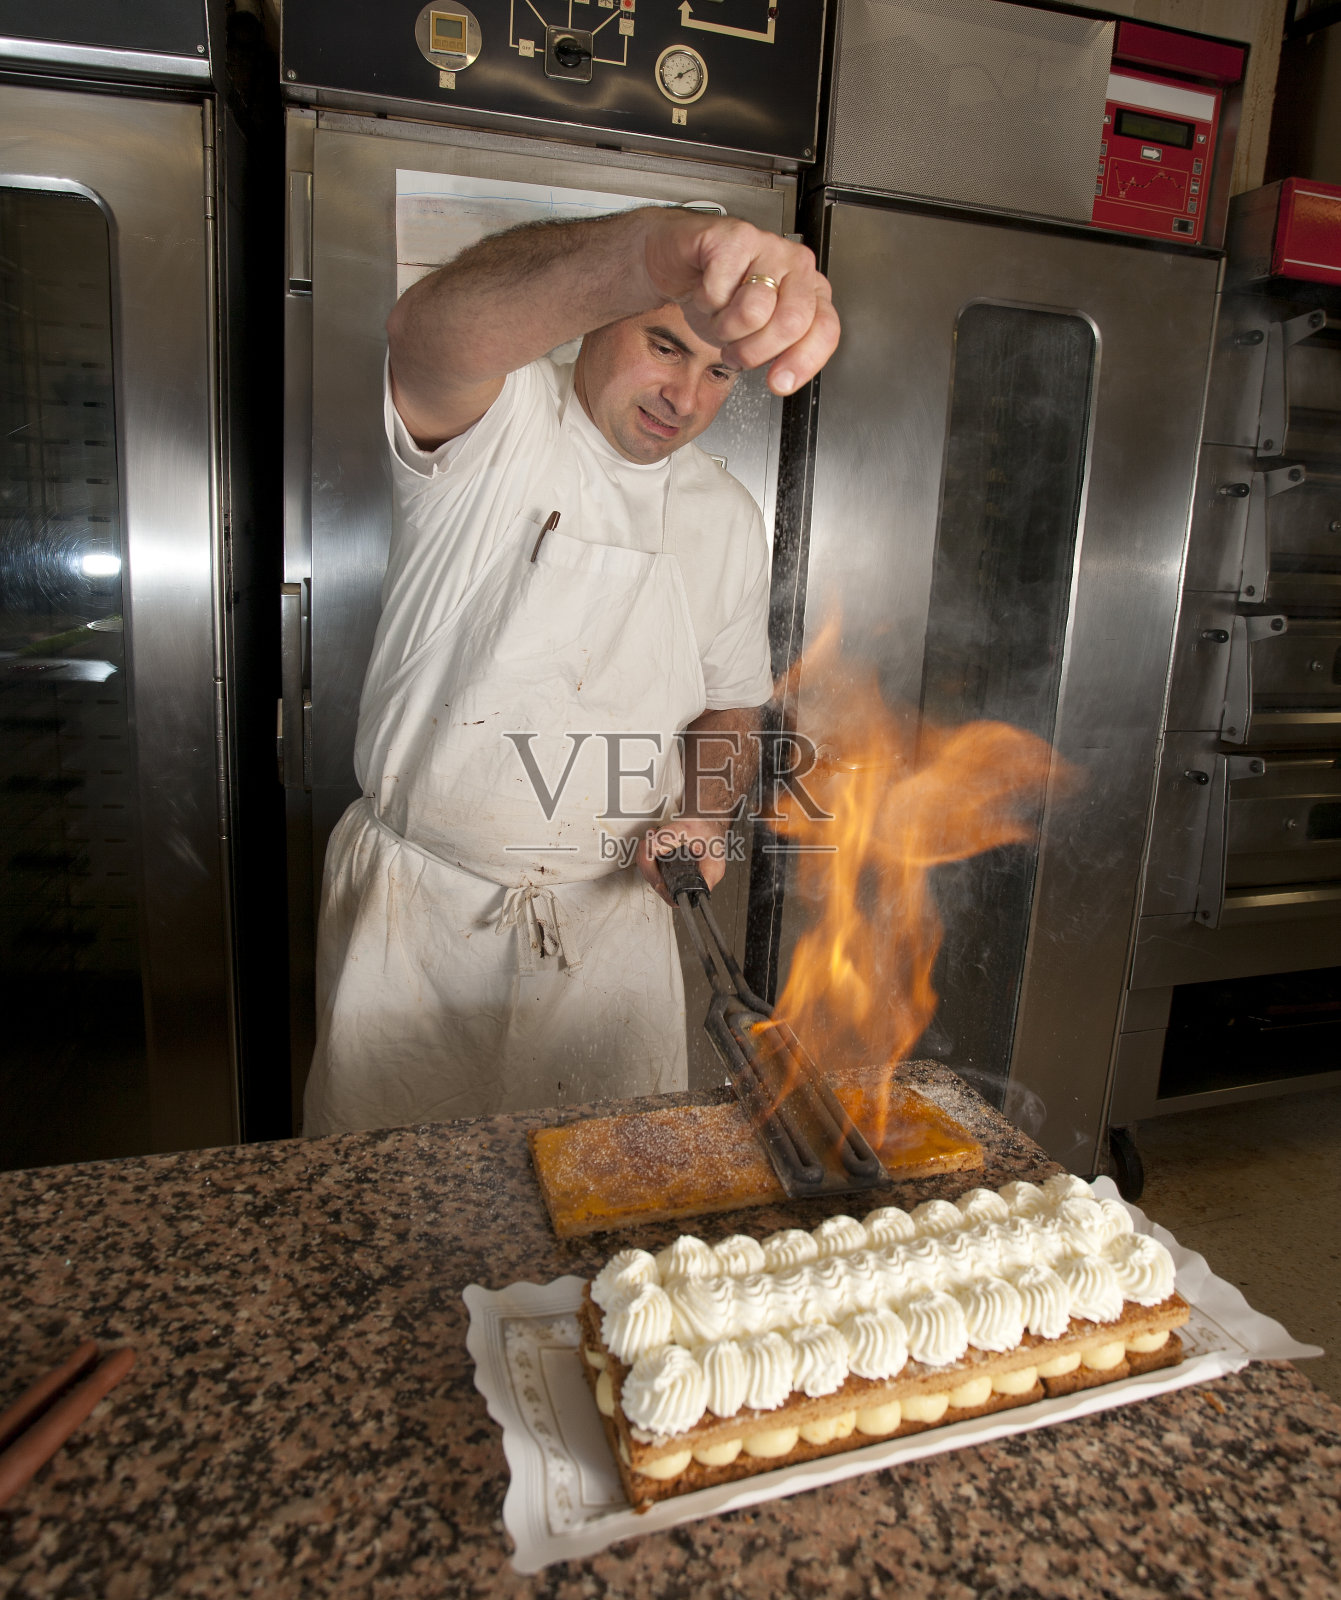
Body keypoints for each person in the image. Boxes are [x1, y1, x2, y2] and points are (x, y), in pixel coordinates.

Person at [302, 205, 840, 1136]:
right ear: (600, 317)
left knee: (610, 1217)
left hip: (613, 926)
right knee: (393, 1215)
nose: (685, 395)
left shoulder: (721, 513)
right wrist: (655, 250)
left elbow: (730, 706)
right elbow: (426, 329)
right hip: (419, 920)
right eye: (664, 346)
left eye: (720, 372)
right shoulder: (503, 423)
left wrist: (704, 816)